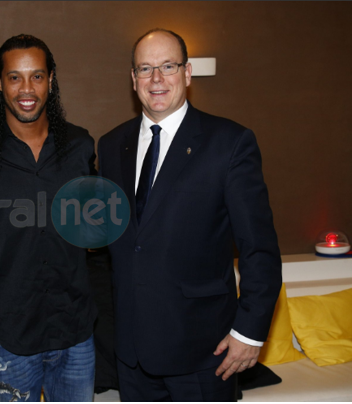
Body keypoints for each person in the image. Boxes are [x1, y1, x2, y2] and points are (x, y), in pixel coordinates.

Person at [97, 28, 282, 401]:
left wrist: (249, 333)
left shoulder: (229, 143)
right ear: (133, 79)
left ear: (187, 72)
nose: (157, 79)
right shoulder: (113, 144)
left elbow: (259, 249)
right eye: (145, 69)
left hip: (203, 355)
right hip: (132, 358)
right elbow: (122, 241)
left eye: (168, 66)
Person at [0, 34, 98, 402]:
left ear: (51, 79)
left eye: (37, 76)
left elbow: (95, 229)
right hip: (9, 333)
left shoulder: (80, 146)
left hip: (75, 330)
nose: (26, 89)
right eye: (15, 77)